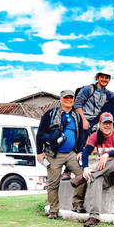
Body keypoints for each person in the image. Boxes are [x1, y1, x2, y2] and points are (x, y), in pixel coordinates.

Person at [70, 112, 114, 227]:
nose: (107, 126)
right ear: (100, 124)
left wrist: (107, 155)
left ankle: (86, 176)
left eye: (109, 123)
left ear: (113, 124)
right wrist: (85, 168)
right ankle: (94, 216)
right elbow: (86, 152)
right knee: (95, 179)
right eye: (104, 123)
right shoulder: (95, 136)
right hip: (104, 174)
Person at [36, 90, 86, 219]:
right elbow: (40, 133)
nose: (68, 100)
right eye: (66, 98)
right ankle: (53, 210)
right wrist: (39, 152)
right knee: (53, 183)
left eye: (71, 97)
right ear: (61, 99)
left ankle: (77, 204)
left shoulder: (76, 116)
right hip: (53, 154)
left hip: (71, 154)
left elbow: (81, 135)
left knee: (82, 176)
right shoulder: (51, 114)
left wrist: (80, 150)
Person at [74, 72, 114, 143]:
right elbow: (77, 104)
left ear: (109, 80)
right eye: (102, 77)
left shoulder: (106, 93)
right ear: (97, 78)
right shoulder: (89, 88)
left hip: (96, 116)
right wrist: (84, 120)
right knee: (82, 142)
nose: (104, 79)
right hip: (85, 118)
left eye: (106, 78)